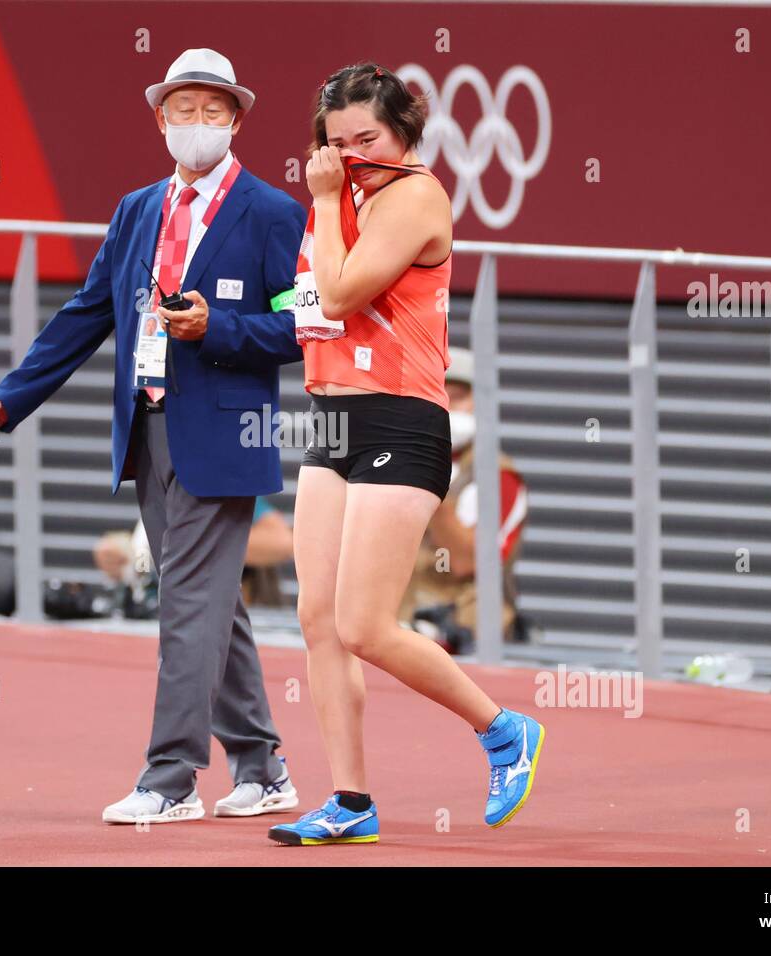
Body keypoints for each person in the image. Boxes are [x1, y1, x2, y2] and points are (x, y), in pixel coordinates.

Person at [0, 48, 306, 824]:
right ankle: (263, 767)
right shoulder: (135, 211)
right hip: (147, 431)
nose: (196, 123)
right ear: (159, 119)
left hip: (225, 436)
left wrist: (216, 328)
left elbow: (302, 326)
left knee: (186, 602)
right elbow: (85, 315)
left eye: (211, 109)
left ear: (236, 120)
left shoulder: (275, 214)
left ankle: (171, 779)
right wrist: (10, 397)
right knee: (212, 604)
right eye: (181, 109)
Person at [268, 63, 545, 847]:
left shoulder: (414, 194)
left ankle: (502, 730)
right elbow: (313, 305)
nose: (353, 153)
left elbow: (347, 290)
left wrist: (324, 200)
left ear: (404, 133)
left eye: (369, 139)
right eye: (337, 143)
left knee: (363, 623)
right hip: (331, 417)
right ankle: (350, 802)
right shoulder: (344, 200)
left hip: (400, 421)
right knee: (317, 619)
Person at [398, 347, 529, 654]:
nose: (445, 407)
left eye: (457, 397)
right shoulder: (393, 461)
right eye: (434, 395)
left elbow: (467, 562)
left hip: (468, 639)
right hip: (400, 629)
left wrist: (430, 485)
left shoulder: (498, 476)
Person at [95, 495, 294, 608]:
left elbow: (282, 543)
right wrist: (122, 558)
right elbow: (145, 562)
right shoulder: (158, 500)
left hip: (217, 614)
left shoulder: (223, 494)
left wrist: (199, 542)